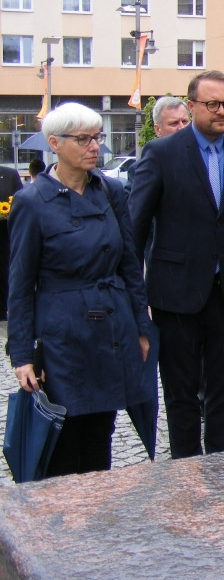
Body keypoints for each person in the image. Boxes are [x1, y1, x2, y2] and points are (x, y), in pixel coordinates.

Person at [129, 70, 224, 458]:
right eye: (212, 104)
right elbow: (135, 230)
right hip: (174, 296)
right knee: (180, 396)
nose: (222, 111)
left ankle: (223, 475)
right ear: (191, 106)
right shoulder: (161, 154)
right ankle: (187, 477)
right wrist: (134, 297)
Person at [7, 103, 152, 476]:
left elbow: (130, 265)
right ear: (54, 143)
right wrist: (22, 355)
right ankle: (61, 524)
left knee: (100, 432)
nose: (94, 147)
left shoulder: (110, 190)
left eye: (97, 137)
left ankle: (98, 520)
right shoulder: (32, 201)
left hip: (111, 325)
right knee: (64, 434)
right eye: (84, 139)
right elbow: (20, 283)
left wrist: (140, 326)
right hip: (63, 332)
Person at [0, 164, 23, 320]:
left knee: (4, 273)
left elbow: (21, 202)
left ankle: (2, 312)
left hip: (4, 236)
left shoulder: (9, 175)